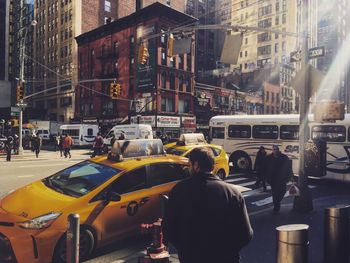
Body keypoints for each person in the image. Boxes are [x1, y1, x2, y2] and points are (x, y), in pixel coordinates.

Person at [163, 147, 253, 263]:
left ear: (196, 165)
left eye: (189, 164)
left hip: (191, 257)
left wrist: (183, 248)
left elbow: (168, 227)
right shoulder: (232, 193)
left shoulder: (179, 190)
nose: (189, 168)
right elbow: (246, 234)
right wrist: (229, 251)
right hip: (226, 258)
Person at [266, 145, 293, 213]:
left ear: (278, 150)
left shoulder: (284, 157)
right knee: (275, 194)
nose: (275, 150)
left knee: (283, 191)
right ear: (272, 150)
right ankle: (276, 208)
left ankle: (277, 202)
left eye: (276, 149)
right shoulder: (269, 158)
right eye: (274, 149)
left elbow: (289, 167)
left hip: (282, 179)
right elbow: (265, 168)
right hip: (273, 179)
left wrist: (291, 176)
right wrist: (266, 178)